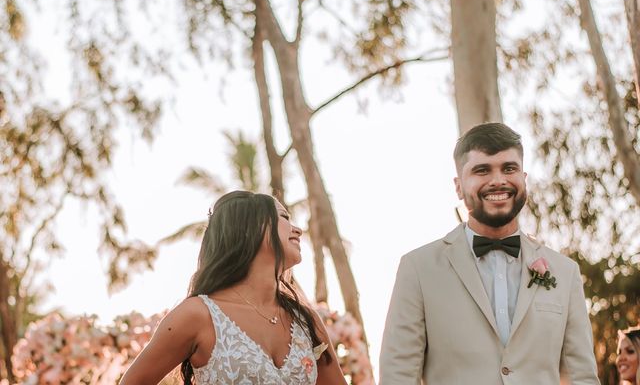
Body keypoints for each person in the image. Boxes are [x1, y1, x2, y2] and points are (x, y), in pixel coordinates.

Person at [379, 122, 600, 384]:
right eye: (482, 170)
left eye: (509, 168)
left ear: (524, 179)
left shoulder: (565, 272)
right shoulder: (418, 268)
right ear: (458, 186)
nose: (498, 181)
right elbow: (398, 376)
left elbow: (581, 377)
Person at [120, 190, 346, 385]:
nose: (298, 229)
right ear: (250, 227)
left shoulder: (306, 321)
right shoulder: (198, 315)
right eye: (284, 217)